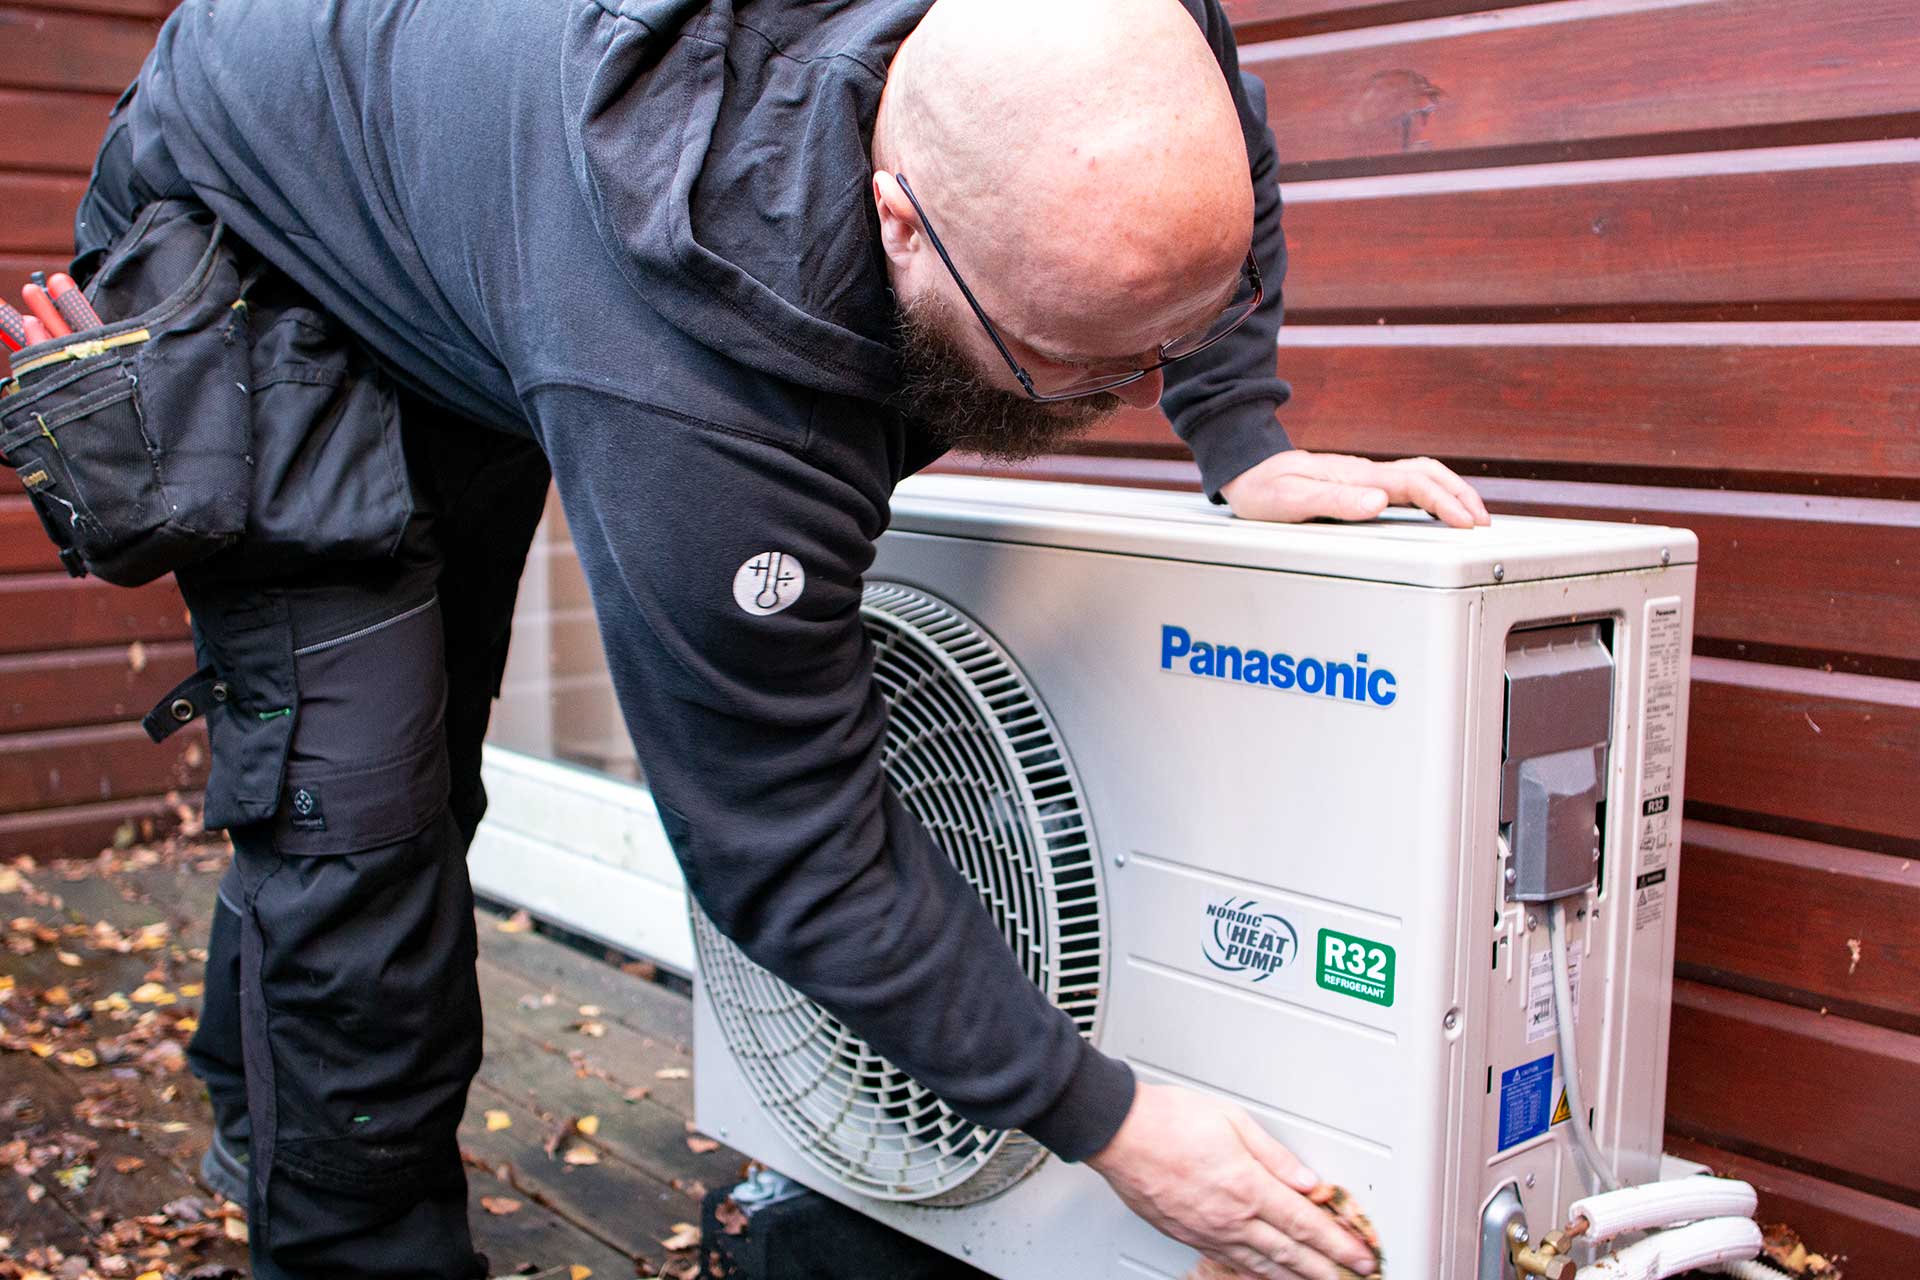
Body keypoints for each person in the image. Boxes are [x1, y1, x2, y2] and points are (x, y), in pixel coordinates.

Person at [76, 0, 1490, 1276]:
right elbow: (789, 840)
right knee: (364, 813)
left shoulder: (1116, 30)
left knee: (421, 746)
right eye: (1069, 364)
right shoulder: (695, 396)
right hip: (268, 215)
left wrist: (1241, 433)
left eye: (1158, 350)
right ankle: (340, 1226)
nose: (1120, 398)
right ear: (900, 220)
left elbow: (1198, 143)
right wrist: (1105, 1121)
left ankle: (260, 1088)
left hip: (478, 191)